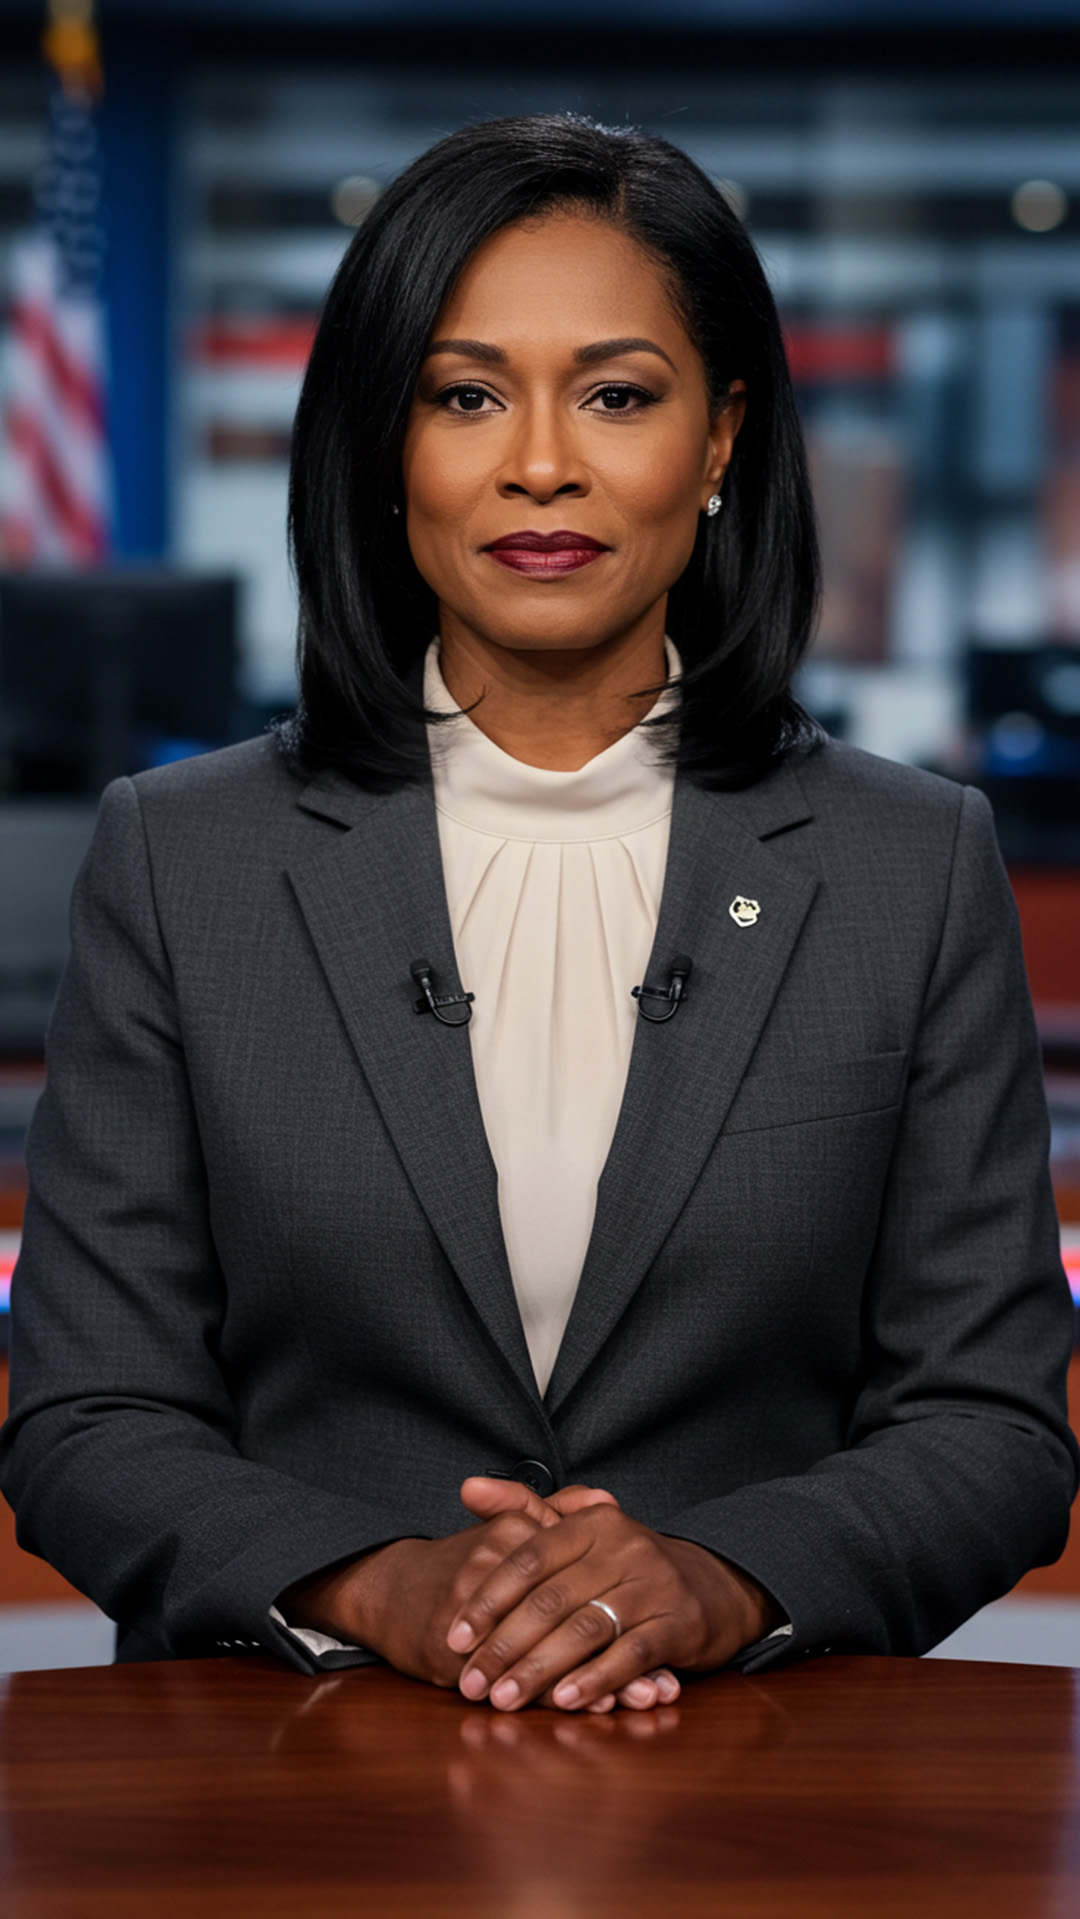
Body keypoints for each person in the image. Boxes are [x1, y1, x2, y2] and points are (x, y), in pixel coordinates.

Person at [2, 114, 1075, 1716]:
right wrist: (380, 1581)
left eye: (621, 395)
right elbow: (86, 1415)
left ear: (719, 442)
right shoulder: (182, 858)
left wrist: (719, 1580)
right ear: (385, 445)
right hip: (290, 1774)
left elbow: (993, 1425)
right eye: (466, 394)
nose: (543, 462)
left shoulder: (909, 866)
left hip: (776, 1783)